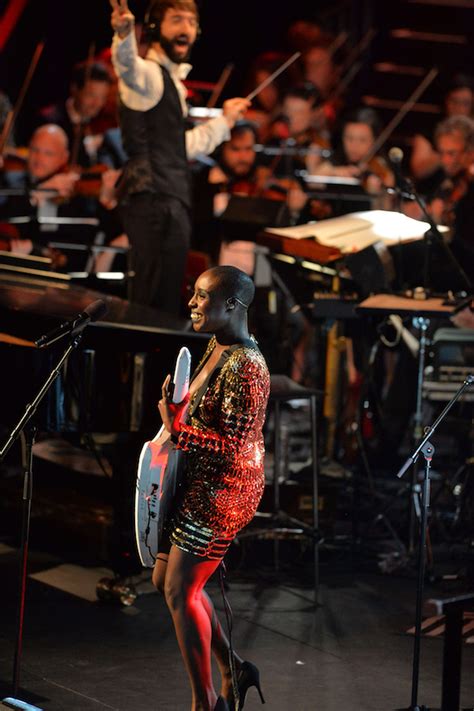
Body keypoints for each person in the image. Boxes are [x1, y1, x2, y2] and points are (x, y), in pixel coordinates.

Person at [153, 265, 269, 711]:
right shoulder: (215, 345)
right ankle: (234, 669)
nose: (192, 304)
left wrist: (178, 428)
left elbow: (232, 447)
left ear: (232, 305)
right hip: (202, 478)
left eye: (202, 297)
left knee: (180, 590)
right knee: (166, 579)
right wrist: (178, 413)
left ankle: (206, 704)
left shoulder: (248, 367)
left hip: (227, 488)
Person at [109, 0, 250, 315]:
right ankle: (140, 362)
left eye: (190, 21)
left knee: (167, 298)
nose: (185, 28)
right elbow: (128, 67)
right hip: (152, 197)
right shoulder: (148, 73)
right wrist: (124, 35)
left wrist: (225, 120)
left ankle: (155, 361)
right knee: (152, 299)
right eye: (177, 20)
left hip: (169, 197)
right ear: (157, 28)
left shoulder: (171, 83)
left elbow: (180, 147)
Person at [35, 61, 113, 168]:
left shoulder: (102, 124)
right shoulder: (50, 120)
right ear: (75, 89)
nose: (97, 104)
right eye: (91, 95)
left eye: (102, 97)